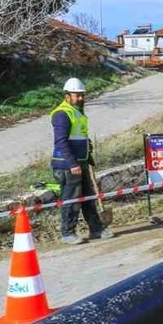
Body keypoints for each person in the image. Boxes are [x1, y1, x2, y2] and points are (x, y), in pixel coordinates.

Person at [50, 78, 113, 244]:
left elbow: (80, 137)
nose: (80, 98)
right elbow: (61, 141)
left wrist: (88, 155)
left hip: (81, 162)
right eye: (77, 95)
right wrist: (73, 164)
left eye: (82, 95)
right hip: (67, 165)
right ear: (67, 96)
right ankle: (67, 233)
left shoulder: (77, 112)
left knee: (88, 198)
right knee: (71, 200)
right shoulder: (62, 114)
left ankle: (96, 229)